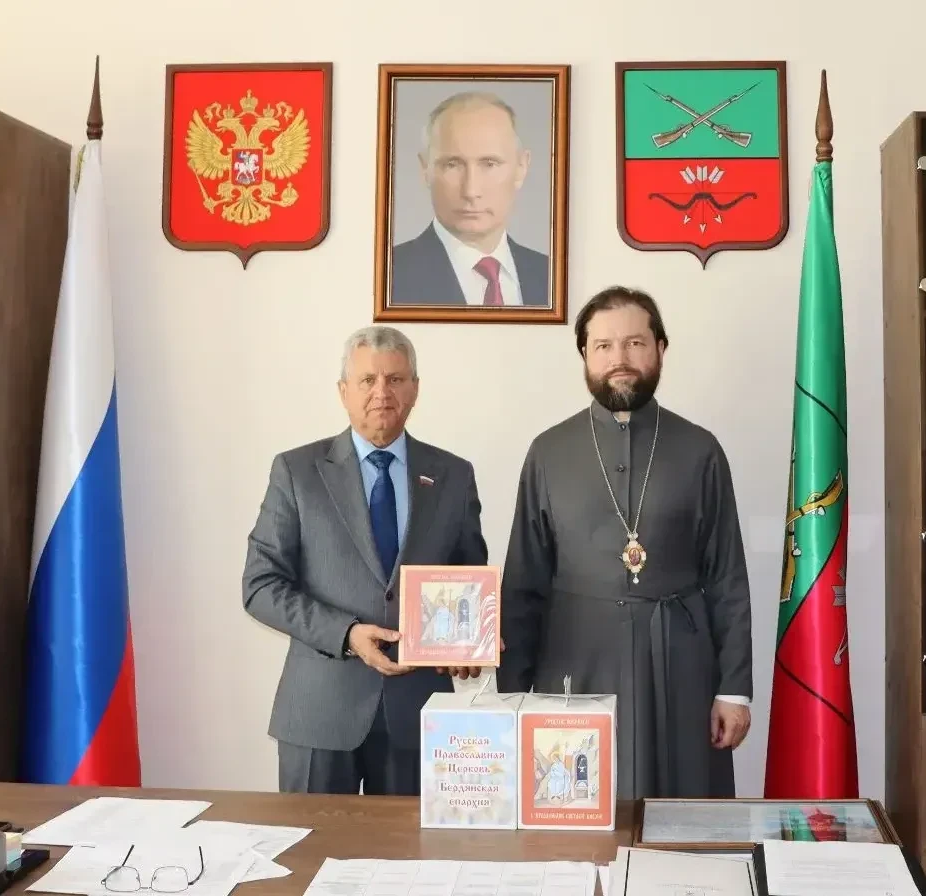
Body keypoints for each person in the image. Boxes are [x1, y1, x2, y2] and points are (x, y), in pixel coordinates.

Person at [497, 286, 753, 800]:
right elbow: (524, 581)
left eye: (635, 343)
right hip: (575, 662)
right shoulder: (548, 451)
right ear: (584, 355)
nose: (620, 358)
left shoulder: (700, 450)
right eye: (604, 345)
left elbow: (727, 578)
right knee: (578, 808)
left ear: (660, 348)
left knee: (684, 817)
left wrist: (734, 689)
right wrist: (512, 696)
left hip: (680, 664)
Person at [242, 325, 488, 795]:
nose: (382, 392)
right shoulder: (296, 471)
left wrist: (466, 644)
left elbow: (468, 577)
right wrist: (347, 634)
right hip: (319, 712)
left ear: (415, 389)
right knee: (311, 841)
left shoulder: (454, 475)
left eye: (395, 379)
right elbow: (260, 586)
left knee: (410, 845)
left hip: (417, 713)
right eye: (367, 380)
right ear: (343, 391)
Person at [389, 91, 549, 308]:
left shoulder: (550, 276)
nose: (471, 191)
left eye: (489, 164)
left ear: (521, 167)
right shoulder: (388, 275)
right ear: (425, 169)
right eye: (452, 165)